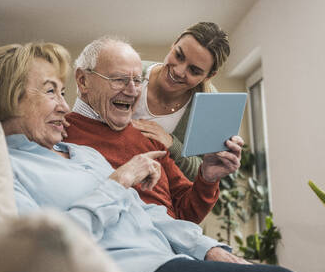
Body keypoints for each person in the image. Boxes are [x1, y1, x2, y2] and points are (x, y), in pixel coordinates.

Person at [0, 41, 309, 272]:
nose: (62, 104)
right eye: (50, 92)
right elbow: (42, 253)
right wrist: (119, 182)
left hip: (172, 260)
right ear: (10, 98)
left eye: (137, 80)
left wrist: (208, 245)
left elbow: (154, 211)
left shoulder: (84, 153)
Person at [65, 36, 242, 223]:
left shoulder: (150, 138)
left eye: (137, 80)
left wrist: (208, 178)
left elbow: (185, 213)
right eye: (119, 79)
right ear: (83, 81)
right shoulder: (58, 135)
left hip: (170, 245)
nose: (132, 91)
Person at [132, 22, 227, 181]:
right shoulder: (131, 72)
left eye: (194, 71)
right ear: (174, 44)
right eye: (179, 55)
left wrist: (171, 144)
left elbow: (203, 173)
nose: (178, 71)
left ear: (209, 76)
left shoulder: (210, 106)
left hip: (162, 200)